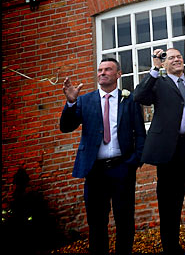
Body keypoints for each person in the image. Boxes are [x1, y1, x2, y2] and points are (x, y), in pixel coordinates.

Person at [133, 48, 185, 255]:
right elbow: (139, 95)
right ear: (164, 63)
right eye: (170, 57)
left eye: (179, 56)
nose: (176, 59)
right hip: (170, 150)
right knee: (170, 204)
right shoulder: (159, 83)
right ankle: (171, 248)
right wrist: (155, 68)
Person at [59, 58, 145, 255]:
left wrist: (134, 162)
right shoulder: (85, 100)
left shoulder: (129, 100)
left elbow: (140, 133)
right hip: (95, 170)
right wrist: (71, 103)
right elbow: (66, 127)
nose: (102, 73)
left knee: (124, 219)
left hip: (122, 168)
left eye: (108, 69)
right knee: (97, 221)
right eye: (100, 70)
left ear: (118, 74)